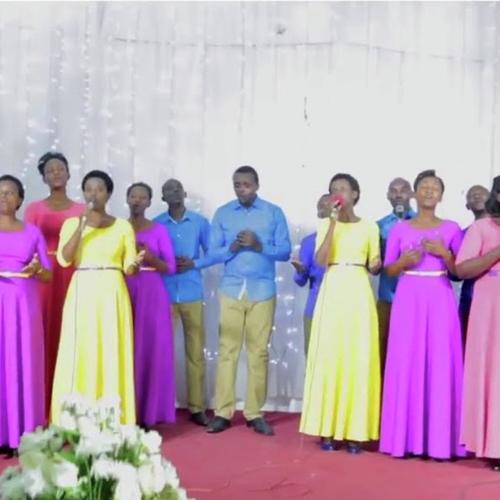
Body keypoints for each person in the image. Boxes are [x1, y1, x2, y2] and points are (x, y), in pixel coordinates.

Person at [379, 170, 465, 460]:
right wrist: (404, 260)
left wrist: (445, 253)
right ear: (415, 193)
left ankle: (440, 442)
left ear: (441, 196)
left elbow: (458, 271)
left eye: (435, 187)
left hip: (440, 297)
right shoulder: (400, 229)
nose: (429, 191)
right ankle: (405, 440)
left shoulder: (452, 228)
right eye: (424, 186)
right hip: (408, 297)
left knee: (440, 361)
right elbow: (389, 270)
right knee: (406, 359)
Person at [51, 170, 143, 424]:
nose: (94, 194)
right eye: (89, 189)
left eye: (100, 189)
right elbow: (64, 259)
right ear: (83, 193)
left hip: (113, 290)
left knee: (111, 349)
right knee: (80, 349)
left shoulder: (122, 226)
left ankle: (112, 418)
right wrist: (81, 226)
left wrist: (135, 264)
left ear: (109, 194)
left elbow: (129, 267)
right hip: (83, 288)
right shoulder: (71, 224)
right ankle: (76, 418)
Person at [299, 173, 381, 454]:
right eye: (334, 189)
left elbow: (374, 264)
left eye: (343, 189)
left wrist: (378, 263)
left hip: (358, 291)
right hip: (332, 289)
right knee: (330, 356)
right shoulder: (325, 224)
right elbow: (321, 260)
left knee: (358, 358)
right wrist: (333, 223)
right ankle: (327, 428)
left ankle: (356, 432)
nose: (338, 193)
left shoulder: (370, 227)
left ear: (355, 194)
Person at [207, 165, 291, 436]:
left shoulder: (273, 212)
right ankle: (223, 412)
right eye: (237, 184)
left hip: (262, 290)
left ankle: (254, 413)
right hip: (231, 289)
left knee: (259, 352)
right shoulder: (222, 213)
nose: (241, 189)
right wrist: (231, 248)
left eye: (246, 184)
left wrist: (258, 245)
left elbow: (285, 251)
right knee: (227, 351)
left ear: (256, 185)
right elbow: (213, 253)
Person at [24, 152, 85, 417]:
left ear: (69, 173)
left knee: (71, 332)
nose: (56, 173)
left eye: (60, 168)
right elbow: (27, 243)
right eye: (50, 170)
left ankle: (70, 402)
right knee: (44, 332)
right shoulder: (34, 209)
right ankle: (42, 400)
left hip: (73, 274)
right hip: (45, 276)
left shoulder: (81, 210)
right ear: (43, 177)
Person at [154, 179, 213, 426]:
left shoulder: (200, 222)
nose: (174, 192)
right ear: (162, 197)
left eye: (177, 188)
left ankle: (197, 407)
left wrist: (193, 263)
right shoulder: (156, 224)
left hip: (192, 292)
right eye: (169, 190)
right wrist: (165, 263)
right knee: (161, 353)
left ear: (185, 193)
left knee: (195, 352)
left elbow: (213, 253)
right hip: (164, 294)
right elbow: (150, 255)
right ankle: (160, 406)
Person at [0, 175, 51, 456]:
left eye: (10, 192)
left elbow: (47, 274)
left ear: (20, 199)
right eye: (0, 192)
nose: (4, 197)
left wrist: (37, 269)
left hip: (23, 303)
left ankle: (24, 433)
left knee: (23, 362)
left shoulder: (32, 232)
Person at [456, 175, 500, 471]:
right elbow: (462, 269)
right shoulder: (481, 228)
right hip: (489, 305)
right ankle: (494, 445)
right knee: (492, 370)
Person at [126, 182, 177, 428]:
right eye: (133, 196)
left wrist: (149, 257)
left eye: (142, 197)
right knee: (126, 347)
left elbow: (170, 267)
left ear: (149, 202)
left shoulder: (158, 230)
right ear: (127, 199)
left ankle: (148, 412)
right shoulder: (118, 227)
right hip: (124, 289)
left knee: (150, 348)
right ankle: (125, 410)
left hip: (151, 292)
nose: (137, 200)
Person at [376, 178, 415, 373]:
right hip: (387, 298)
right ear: (388, 196)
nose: (398, 194)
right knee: (383, 349)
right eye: (394, 191)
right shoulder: (379, 226)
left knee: (413, 349)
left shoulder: (423, 223)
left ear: (412, 194)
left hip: (415, 299)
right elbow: (375, 263)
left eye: (403, 190)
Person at [291, 194, 330, 356]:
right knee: (314, 357)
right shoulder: (309, 241)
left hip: (344, 309)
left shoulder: (350, 239)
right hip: (315, 308)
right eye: (321, 206)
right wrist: (300, 270)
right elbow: (300, 280)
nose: (325, 210)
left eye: (329, 205)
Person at [458, 185, 490, 337]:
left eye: (481, 193)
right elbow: (455, 274)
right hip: (471, 300)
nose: (477, 196)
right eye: (472, 195)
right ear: (467, 205)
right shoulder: (462, 235)